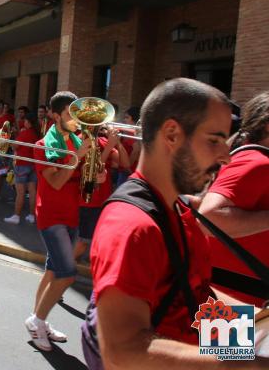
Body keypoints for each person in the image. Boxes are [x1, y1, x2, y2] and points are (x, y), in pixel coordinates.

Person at [82, 78, 269, 369]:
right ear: (171, 135)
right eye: (214, 140)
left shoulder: (179, 210)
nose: (225, 157)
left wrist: (251, 336)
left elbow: (193, 297)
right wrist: (251, 364)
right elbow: (122, 350)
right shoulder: (132, 226)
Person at [24, 91, 92, 351]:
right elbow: (56, 182)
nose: (75, 120)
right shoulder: (44, 145)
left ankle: (38, 321)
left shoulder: (76, 140)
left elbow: (81, 181)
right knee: (66, 273)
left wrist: (95, 171)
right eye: (69, 115)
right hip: (51, 215)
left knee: (53, 270)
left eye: (76, 115)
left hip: (71, 212)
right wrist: (77, 157)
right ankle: (36, 320)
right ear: (55, 115)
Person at [199, 91, 269, 307]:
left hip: (239, 294)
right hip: (232, 298)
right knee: (220, 343)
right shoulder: (257, 163)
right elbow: (208, 217)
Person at [73, 126, 130, 262]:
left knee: (98, 236)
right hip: (88, 198)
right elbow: (92, 170)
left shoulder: (104, 141)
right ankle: (64, 267)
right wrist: (110, 146)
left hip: (104, 199)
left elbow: (126, 164)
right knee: (84, 240)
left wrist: (117, 142)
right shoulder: (81, 140)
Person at [4, 113, 39, 224]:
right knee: (32, 191)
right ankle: (32, 215)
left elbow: (15, 146)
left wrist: (9, 139)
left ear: (28, 122)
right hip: (33, 164)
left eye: (25, 121)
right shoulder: (36, 133)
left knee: (20, 192)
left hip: (22, 164)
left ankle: (16, 216)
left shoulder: (25, 133)